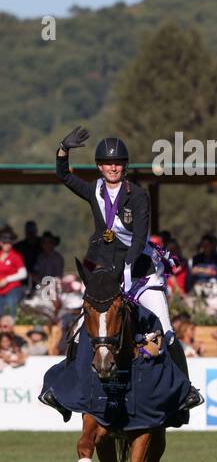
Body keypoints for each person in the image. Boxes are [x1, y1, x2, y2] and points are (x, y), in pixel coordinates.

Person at [37, 128, 202, 417]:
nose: (113, 167)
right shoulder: (93, 191)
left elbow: (139, 238)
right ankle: (62, 392)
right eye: (107, 163)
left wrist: (127, 270)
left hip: (141, 273)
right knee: (79, 331)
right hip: (107, 274)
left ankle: (185, 391)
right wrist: (63, 148)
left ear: (123, 166)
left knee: (166, 331)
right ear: (100, 166)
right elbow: (63, 175)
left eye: (118, 163)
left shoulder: (138, 196)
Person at [0, 228, 28, 317]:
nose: (7, 245)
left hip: (12, 288)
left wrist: (7, 279)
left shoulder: (15, 256)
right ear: (1, 243)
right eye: (5, 243)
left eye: (9, 243)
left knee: (11, 307)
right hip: (1, 290)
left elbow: (23, 273)